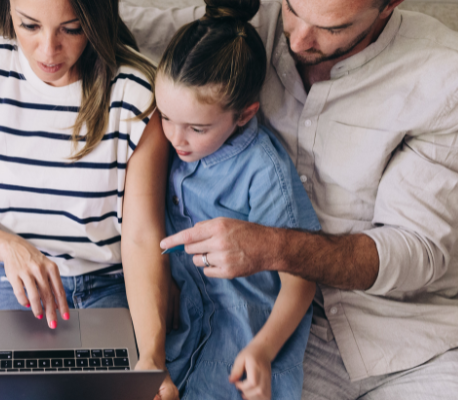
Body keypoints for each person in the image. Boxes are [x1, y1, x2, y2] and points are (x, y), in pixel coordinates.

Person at [0, 0, 458, 398]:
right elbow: (107, 21)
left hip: (392, 334)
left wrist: (274, 248)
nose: (299, 38)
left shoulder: (444, 79)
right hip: (235, 319)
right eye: (294, 10)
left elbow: (417, 252)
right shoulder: (244, 26)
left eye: (332, 27)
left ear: (388, 6)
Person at [0, 0, 173, 381]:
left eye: (71, 29)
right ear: (7, 12)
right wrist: (9, 248)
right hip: (19, 284)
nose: (48, 50)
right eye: (30, 26)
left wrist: (153, 358)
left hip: (108, 284)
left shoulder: (137, 95)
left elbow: (141, 239)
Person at [154, 1, 319, 398]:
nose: (176, 138)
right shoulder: (170, 145)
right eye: (165, 117)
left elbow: (301, 279)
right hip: (182, 323)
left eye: (197, 128)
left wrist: (262, 351)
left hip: (243, 333)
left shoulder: (263, 171)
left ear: (244, 115)